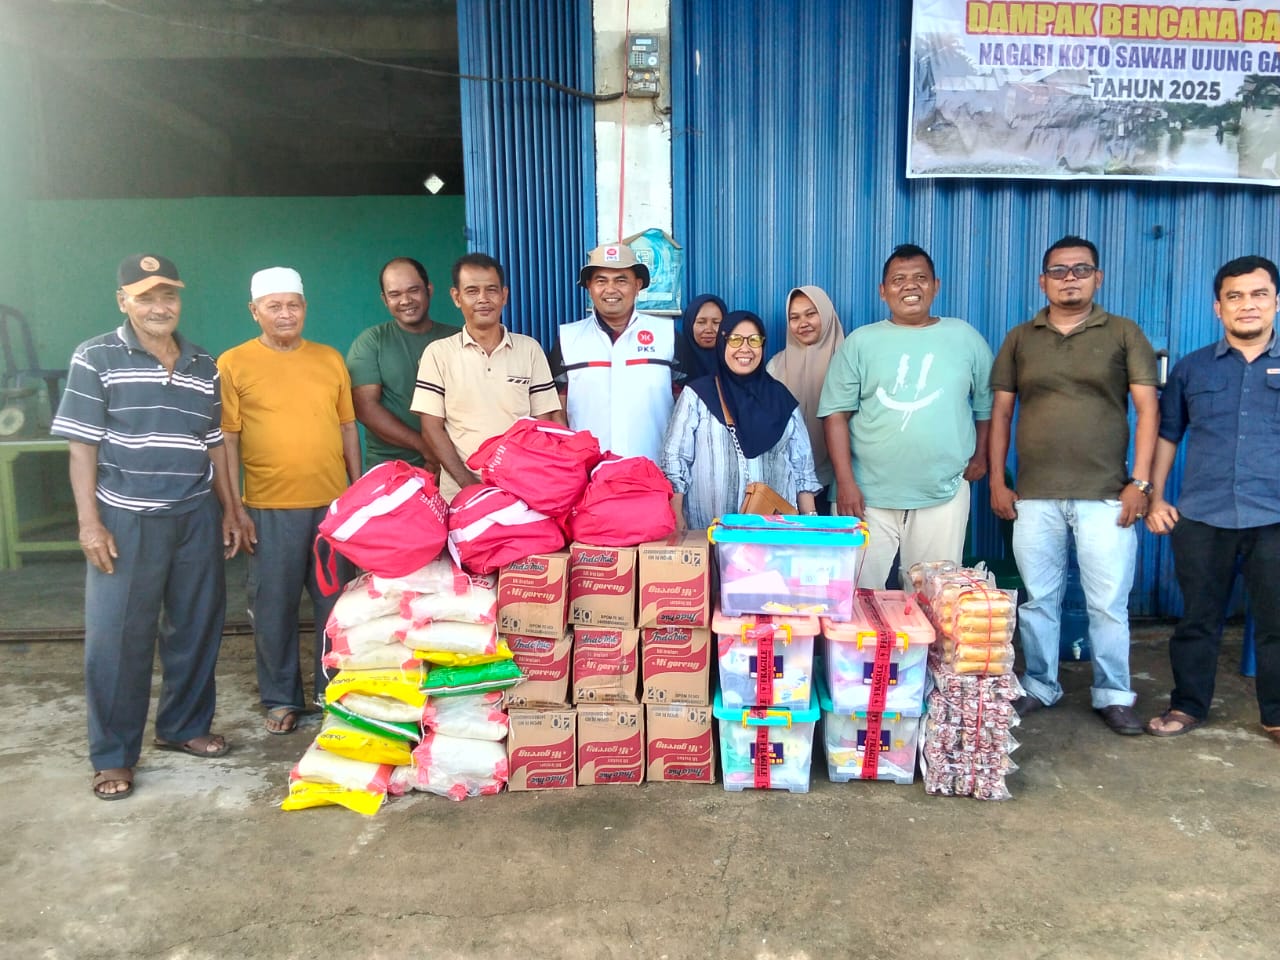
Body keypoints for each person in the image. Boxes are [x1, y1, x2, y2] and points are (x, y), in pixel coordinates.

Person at [52, 254, 242, 801]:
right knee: (117, 638)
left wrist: (230, 509)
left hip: (195, 513)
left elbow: (214, 443)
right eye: (145, 297)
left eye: (168, 296)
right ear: (123, 301)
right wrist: (89, 524)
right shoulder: (96, 357)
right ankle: (114, 754)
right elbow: (82, 446)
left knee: (196, 625)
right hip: (126, 516)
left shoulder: (204, 363)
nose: (160, 307)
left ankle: (183, 726)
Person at [989, 235, 1158, 736]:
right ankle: (1040, 684)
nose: (1070, 279)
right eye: (1059, 271)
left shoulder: (1123, 332)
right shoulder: (1021, 338)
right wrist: (997, 480)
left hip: (1106, 494)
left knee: (1107, 603)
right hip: (1035, 495)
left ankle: (1113, 694)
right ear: (1043, 281)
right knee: (1038, 600)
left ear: (1097, 278)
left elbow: (1148, 409)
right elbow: (1001, 414)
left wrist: (1141, 482)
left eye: (1081, 270)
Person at [1143, 255, 1280, 743]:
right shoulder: (1192, 369)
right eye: (1234, 296)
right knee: (1198, 621)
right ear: (1218, 307)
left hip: (1274, 517)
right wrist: (1156, 498)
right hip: (1203, 515)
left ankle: (1276, 714)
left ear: (1276, 302)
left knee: (1276, 623)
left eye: (1259, 294)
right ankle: (1187, 705)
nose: (1248, 305)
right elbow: (1168, 436)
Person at [218, 267, 360, 734]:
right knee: (273, 607)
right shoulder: (233, 363)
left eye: (293, 305)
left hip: (331, 507)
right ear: (254, 311)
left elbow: (347, 427)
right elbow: (227, 439)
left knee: (335, 606)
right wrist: (234, 507)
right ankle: (280, 699)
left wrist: (356, 493)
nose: (285, 314)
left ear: (305, 308)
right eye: (274, 306)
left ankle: (332, 693)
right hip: (268, 508)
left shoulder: (329, 359)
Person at [819, 244, 992, 589]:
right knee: (856, 594)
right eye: (898, 280)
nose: (910, 286)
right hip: (866, 495)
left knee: (934, 595)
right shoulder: (861, 342)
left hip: (943, 492)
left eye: (920, 278)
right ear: (883, 291)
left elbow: (987, 406)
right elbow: (835, 414)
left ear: (936, 286)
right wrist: (846, 482)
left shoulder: (965, 337)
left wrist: (981, 455)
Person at [410, 253, 566, 502]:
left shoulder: (529, 349)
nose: (483, 299)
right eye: (472, 291)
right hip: (461, 497)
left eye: (491, 290)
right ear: (456, 297)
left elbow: (544, 421)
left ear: (504, 295)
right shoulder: (438, 354)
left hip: (523, 494)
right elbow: (431, 429)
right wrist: (470, 486)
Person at [660, 310, 820, 531]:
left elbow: (802, 470)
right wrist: (677, 517)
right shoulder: (697, 395)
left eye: (754, 340)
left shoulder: (781, 399)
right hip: (709, 532)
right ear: (722, 344)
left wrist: (811, 523)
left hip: (772, 537)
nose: (745, 348)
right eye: (735, 340)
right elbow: (675, 459)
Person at [549, 242, 682, 461]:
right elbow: (556, 412)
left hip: (654, 470)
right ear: (589, 287)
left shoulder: (667, 336)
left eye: (621, 280)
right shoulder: (568, 340)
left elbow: (686, 411)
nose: (611, 289)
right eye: (601, 281)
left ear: (637, 285)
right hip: (589, 474)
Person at [346, 257, 460, 472]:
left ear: (429, 290)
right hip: (391, 469)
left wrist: (442, 455)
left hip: (455, 465)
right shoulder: (372, 342)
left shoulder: (457, 340)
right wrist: (425, 447)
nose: (405, 300)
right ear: (384, 299)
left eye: (413, 290)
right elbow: (365, 408)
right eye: (395, 294)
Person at [767, 285, 845, 515]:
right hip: (790, 482)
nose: (803, 323)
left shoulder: (850, 360)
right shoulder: (775, 366)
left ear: (826, 314)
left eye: (811, 314)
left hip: (842, 480)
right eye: (795, 317)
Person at [675, 293, 727, 381]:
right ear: (689, 324)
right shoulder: (676, 364)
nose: (709, 330)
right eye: (701, 322)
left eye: (716, 322)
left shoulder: (735, 363)